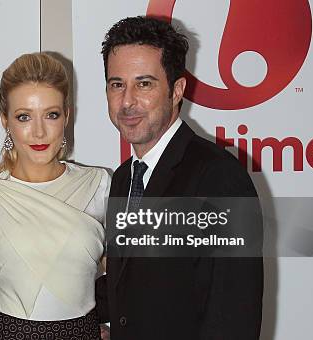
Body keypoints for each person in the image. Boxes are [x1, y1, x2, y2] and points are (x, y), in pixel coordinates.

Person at [94, 16, 264, 339]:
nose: (127, 101)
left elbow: (234, 319)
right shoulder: (122, 179)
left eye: (144, 84)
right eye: (117, 84)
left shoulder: (219, 180)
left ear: (177, 90)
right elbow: (127, 290)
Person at [0, 53, 110, 339]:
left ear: (67, 115)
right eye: (24, 117)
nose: (39, 131)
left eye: (51, 115)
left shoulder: (100, 185)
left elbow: (125, 278)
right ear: (5, 120)